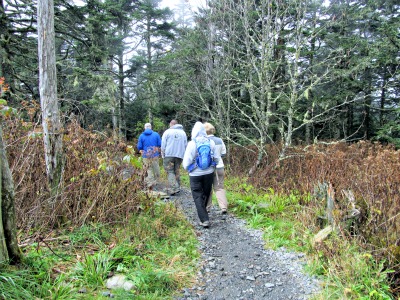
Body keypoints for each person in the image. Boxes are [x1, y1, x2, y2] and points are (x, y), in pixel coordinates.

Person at [182, 121, 217, 228]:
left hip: (195, 174)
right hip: (209, 173)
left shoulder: (192, 143)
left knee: (197, 195)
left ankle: (204, 219)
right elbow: (216, 158)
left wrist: (186, 168)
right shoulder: (211, 142)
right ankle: (204, 212)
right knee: (206, 193)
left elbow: (186, 161)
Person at [204, 122, 228, 215]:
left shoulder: (203, 141)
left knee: (207, 188)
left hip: (208, 168)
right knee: (219, 188)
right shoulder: (219, 140)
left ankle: (207, 207)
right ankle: (223, 207)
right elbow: (224, 153)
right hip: (219, 167)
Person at [161, 119, 187, 195]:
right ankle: (178, 186)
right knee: (177, 170)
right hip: (180, 155)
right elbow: (185, 145)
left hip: (169, 154)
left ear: (171, 124)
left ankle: (174, 187)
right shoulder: (183, 133)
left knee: (170, 171)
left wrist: (163, 154)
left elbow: (163, 144)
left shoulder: (167, 132)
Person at [137, 123, 161, 189]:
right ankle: (157, 181)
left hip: (145, 155)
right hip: (155, 154)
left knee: (148, 168)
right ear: (150, 127)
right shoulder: (156, 134)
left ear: (145, 128)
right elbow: (159, 144)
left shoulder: (141, 136)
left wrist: (141, 150)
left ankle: (150, 182)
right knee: (156, 167)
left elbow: (139, 146)